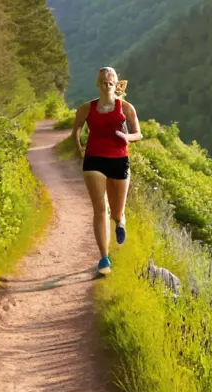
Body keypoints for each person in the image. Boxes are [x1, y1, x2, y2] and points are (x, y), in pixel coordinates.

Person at [71, 67, 143, 275]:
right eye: (103, 78)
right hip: (94, 160)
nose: (107, 80)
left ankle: (120, 221)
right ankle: (104, 258)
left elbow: (138, 134)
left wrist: (126, 137)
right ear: (98, 83)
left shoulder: (126, 107)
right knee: (100, 208)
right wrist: (79, 149)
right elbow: (76, 128)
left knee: (116, 210)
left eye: (111, 78)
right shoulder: (87, 108)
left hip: (119, 160)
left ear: (117, 83)